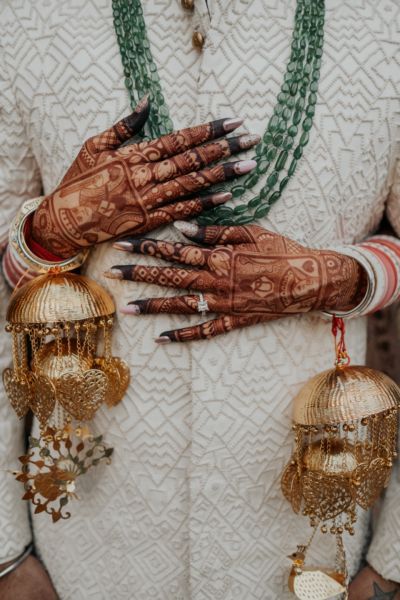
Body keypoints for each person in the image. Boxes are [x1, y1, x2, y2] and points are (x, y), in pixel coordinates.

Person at [0, 1, 399, 598]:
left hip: (316, 536)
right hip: (86, 538)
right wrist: (47, 233)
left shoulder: (384, 20)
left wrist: (342, 278)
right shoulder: (25, 19)